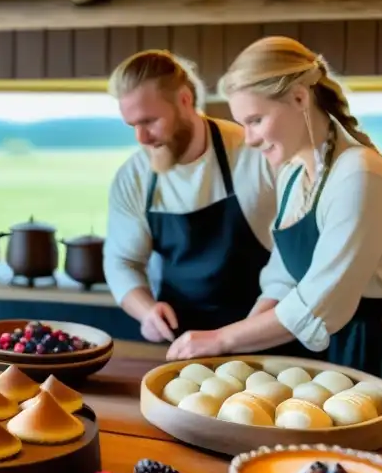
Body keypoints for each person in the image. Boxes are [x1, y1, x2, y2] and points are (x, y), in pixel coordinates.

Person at [166, 36, 382, 388]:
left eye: (256, 119)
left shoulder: (361, 176)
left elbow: (319, 306)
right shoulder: (293, 174)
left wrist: (221, 339)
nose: (249, 138)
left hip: (367, 352)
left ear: (299, 98)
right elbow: (282, 278)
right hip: (311, 356)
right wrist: (240, 351)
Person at [103, 50, 279, 344]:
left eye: (149, 121)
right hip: (183, 344)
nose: (141, 138)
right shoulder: (133, 176)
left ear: (185, 100)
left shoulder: (255, 156)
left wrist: (240, 335)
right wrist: (146, 311)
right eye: (133, 125)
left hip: (264, 335)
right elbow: (122, 261)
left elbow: (296, 260)